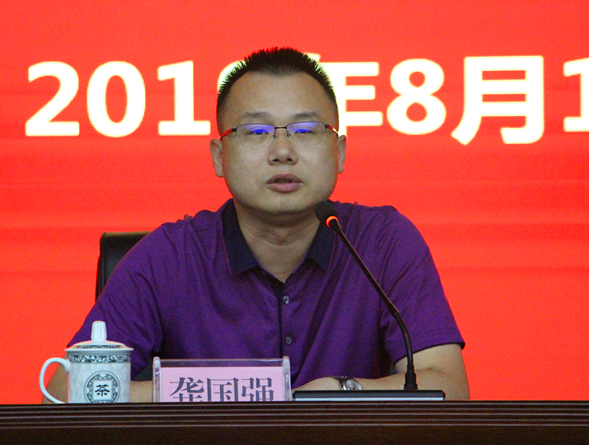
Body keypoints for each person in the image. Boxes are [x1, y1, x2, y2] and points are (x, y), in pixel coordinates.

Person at [44, 47, 468, 402]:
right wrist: (212, 392)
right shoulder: (169, 258)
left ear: (339, 152)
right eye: (256, 131)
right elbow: (64, 390)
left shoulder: (384, 243)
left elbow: (448, 386)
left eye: (305, 130)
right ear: (219, 157)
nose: (282, 151)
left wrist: (339, 391)